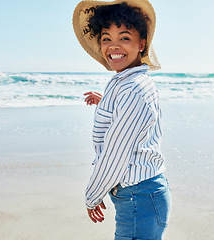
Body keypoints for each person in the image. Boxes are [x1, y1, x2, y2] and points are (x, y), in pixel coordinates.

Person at [72, 1, 172, 239]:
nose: (113, 46)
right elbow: (129, 115)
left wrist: (92, 195)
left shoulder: (132, 91)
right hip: (141, 195)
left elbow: (115, 155)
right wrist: (106, 101)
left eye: (124, 37)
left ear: (142, 44)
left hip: (139, 198)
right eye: (106, 38)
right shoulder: (126, 84)